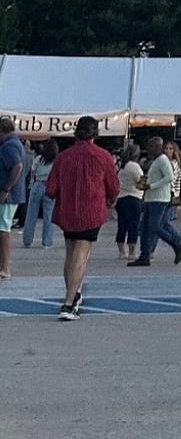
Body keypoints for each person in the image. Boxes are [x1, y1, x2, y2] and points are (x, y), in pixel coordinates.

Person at [44, 116, 119, 320]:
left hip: (67, 212)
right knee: (81, 254)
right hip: (91, 211)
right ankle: (69, 304)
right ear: (95, 133)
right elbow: (113, 186)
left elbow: (50, 189)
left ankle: (73, 294)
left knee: (70, 254)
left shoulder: (63, 157)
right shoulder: (103, 156)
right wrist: (111, 199)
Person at [128, 137, 181, 267]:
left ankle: (179, 245)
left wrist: (151, 186)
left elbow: (169, 177)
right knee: (145, 227)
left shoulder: (163, 160)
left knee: (155, 226)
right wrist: (145, 181)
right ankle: (144, 255)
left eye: (151, 146)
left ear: (158, 147)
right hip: (151, 198)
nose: (148, 149)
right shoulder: (157, 161)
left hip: (159, 199)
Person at [0, 116, 27, 278]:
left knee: (3, 229)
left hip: (7, 196)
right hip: (12, 194)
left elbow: (17, 166)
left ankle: (5, 268)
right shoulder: (16, 143)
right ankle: (3, 266)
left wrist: (6, 188)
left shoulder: (9, 146)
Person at [22, 139, 58, 249]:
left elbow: (33, 171)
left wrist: (31, 183)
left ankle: (27, 240)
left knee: (31, 214)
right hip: (49, 186)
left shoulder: (39, 159)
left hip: (37, 184)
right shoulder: (56, 161)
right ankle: (47, 241)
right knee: (48, 215)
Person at [115, 142, 145, 260]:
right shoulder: (134, 166)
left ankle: (121, 251)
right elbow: (141, 181)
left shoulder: (123, 166)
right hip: (133, 198)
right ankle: (132, 251)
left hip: (121, 198)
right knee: (133, 225)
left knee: (122, 225)